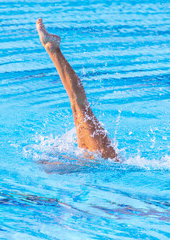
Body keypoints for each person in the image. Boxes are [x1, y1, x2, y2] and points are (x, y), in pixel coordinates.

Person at [36, 18, 118, 161]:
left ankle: (53, 50)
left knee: (78, 106)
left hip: (94, 163)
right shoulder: (106, 157)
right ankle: (52, 50)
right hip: (104, 162)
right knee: (79, 106)